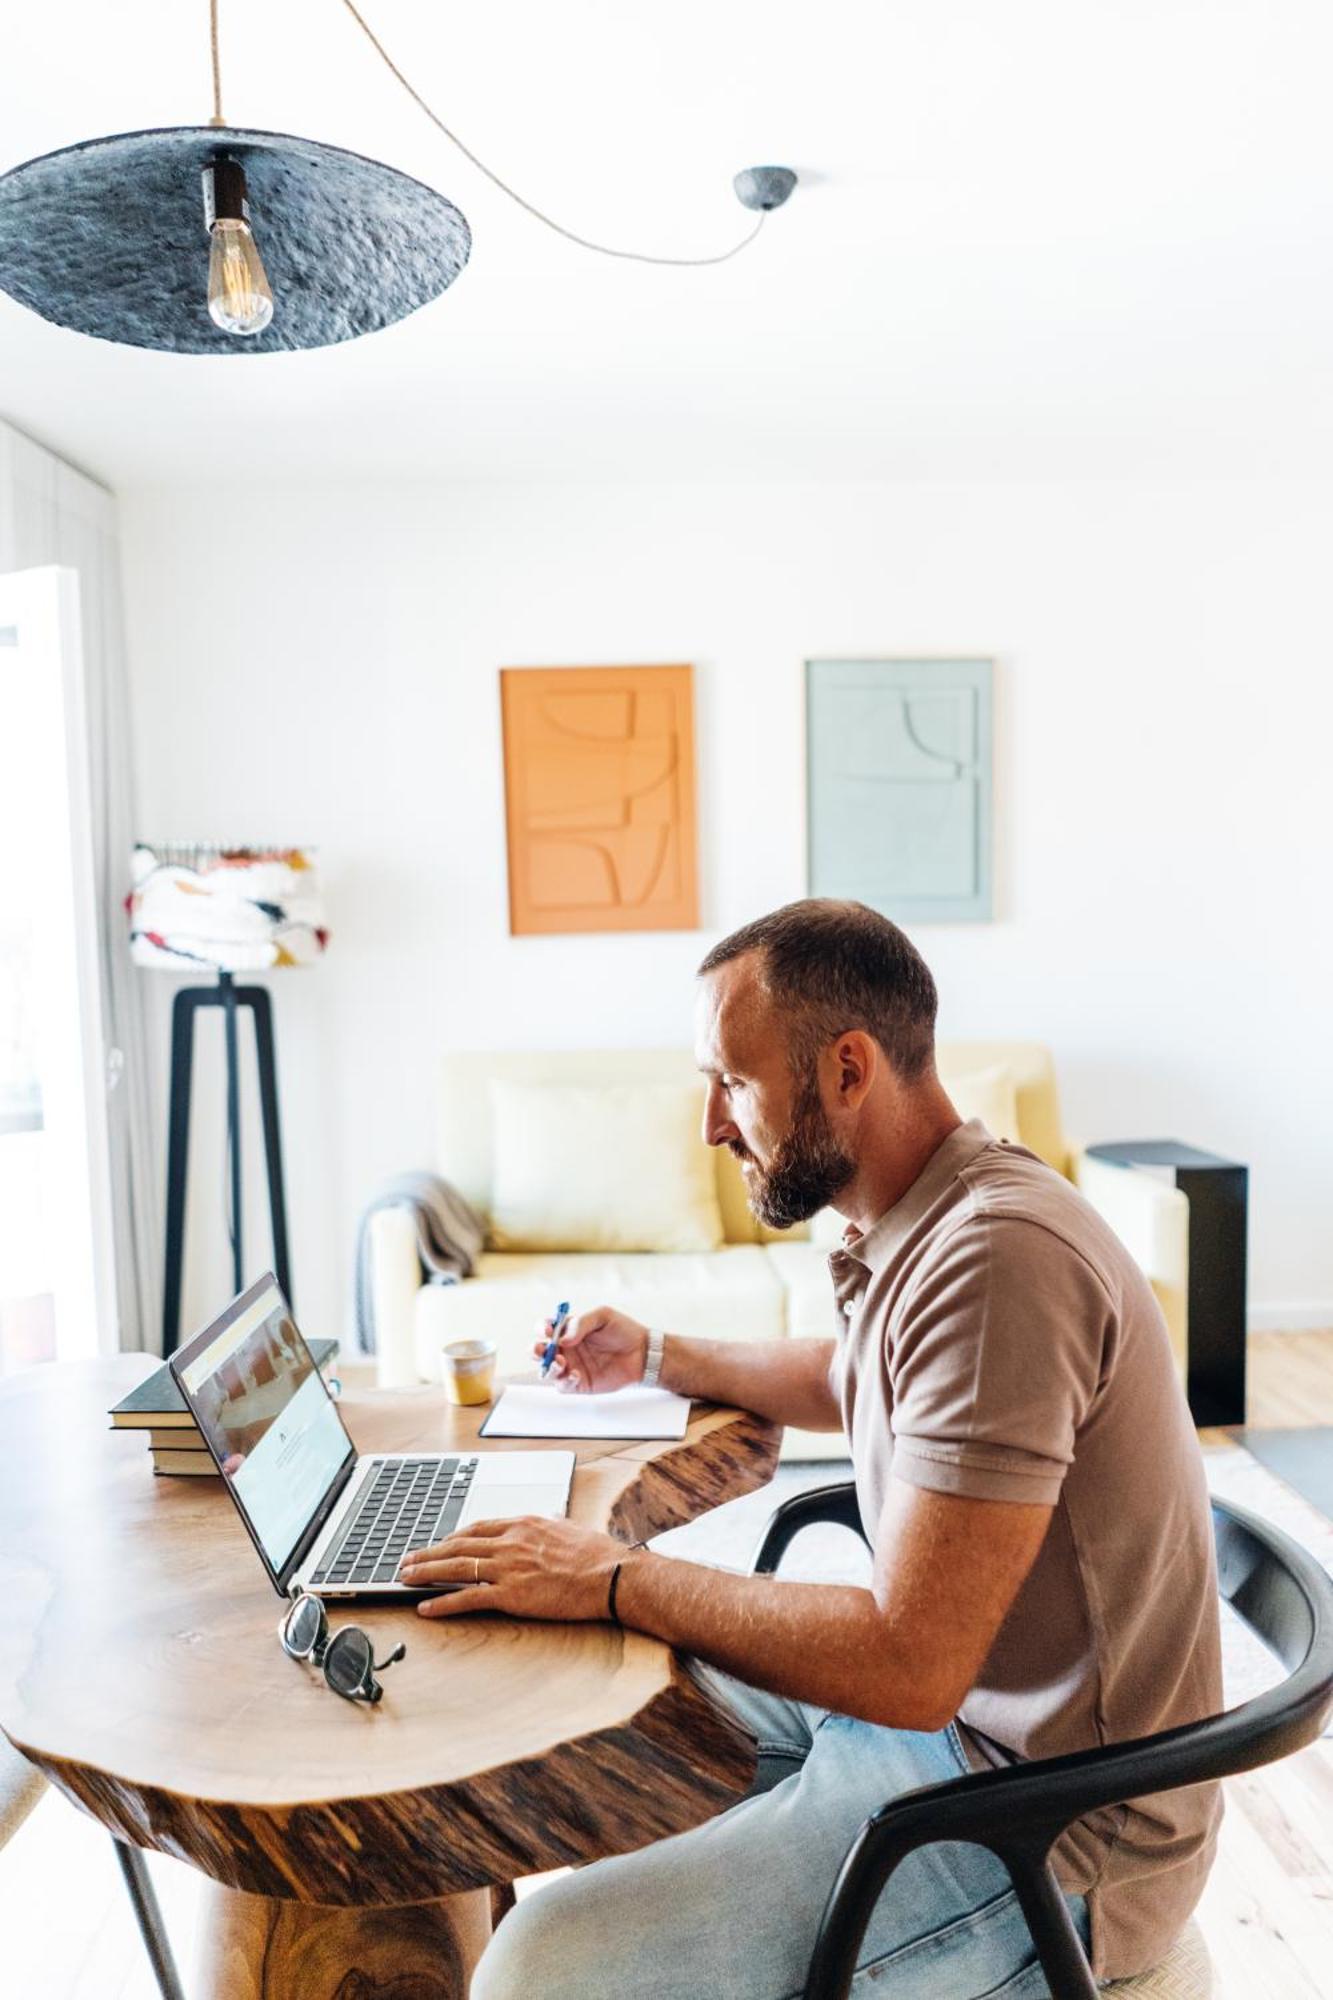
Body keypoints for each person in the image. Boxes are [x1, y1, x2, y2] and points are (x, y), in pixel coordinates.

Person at [400, 900, 1222, 1998]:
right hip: (964, 1731)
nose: (709, 1124)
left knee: (539, 1969)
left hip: (1048, 1827)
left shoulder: (996, 1262)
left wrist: (614, 1577)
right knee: (583, 1726)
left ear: (847, 1069)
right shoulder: (936, 1213)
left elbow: (909, 1664)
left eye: (731, 1083)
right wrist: (662, 1353)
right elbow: (860, 1374)